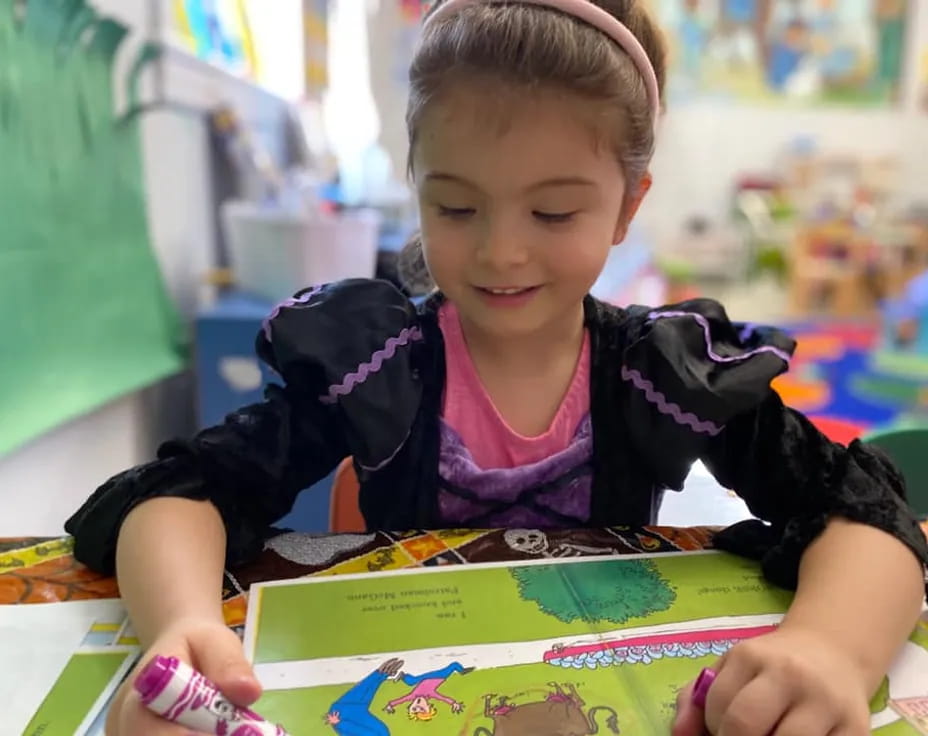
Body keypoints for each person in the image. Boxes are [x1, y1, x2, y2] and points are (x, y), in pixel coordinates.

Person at [66, 2, 927, 735]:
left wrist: (831, 648)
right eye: (455, 206)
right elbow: (181, 494)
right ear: (416, 186)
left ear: (627, 207)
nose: (501, 252)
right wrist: (179, 627)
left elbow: (870, 517)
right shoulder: (379, 363)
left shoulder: (662, 373)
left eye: (552, 213)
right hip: (408, 690)